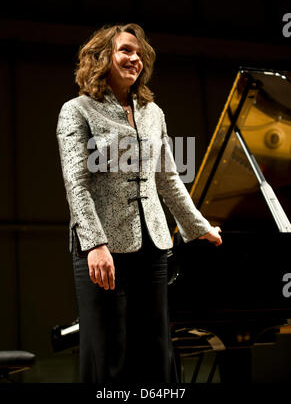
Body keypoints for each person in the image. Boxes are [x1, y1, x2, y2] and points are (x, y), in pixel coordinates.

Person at [56, 23, 222, 384]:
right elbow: (76, 184)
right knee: (109, 356)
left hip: (153, 246)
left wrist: (199, 227)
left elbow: (168, 179)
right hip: (102, 251)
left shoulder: (153, 112)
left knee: (156, 352)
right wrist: (95, 245)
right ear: (103, 58)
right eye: (125, 51)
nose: (135, 58)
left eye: (139, 53)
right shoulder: (77, 110)